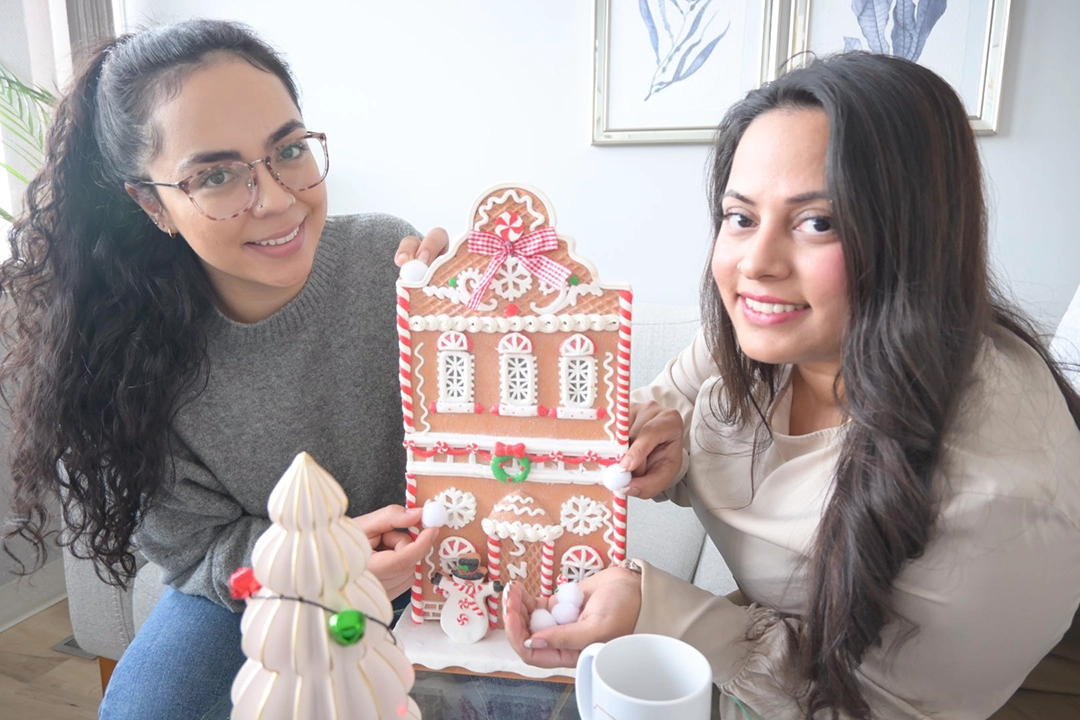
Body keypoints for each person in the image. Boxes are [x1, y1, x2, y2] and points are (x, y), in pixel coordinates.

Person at [505, 52, 1080, 719]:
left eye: (818, 222)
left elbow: (878, 708)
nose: (755, 263)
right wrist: (670, 458)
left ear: (913, 236)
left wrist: (659, 608)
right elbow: (666, 418)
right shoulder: (762, 340)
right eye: (741, 217)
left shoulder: (997, 495)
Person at [0, 19, 446, 719]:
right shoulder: (126, 352)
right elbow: (196, 553)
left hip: (430, 571)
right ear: (152, 205)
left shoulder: (388, 261)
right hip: (258, 586)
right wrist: (320, 565)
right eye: (214, 175)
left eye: (289, 150)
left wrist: (477, 313)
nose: (273, 199)